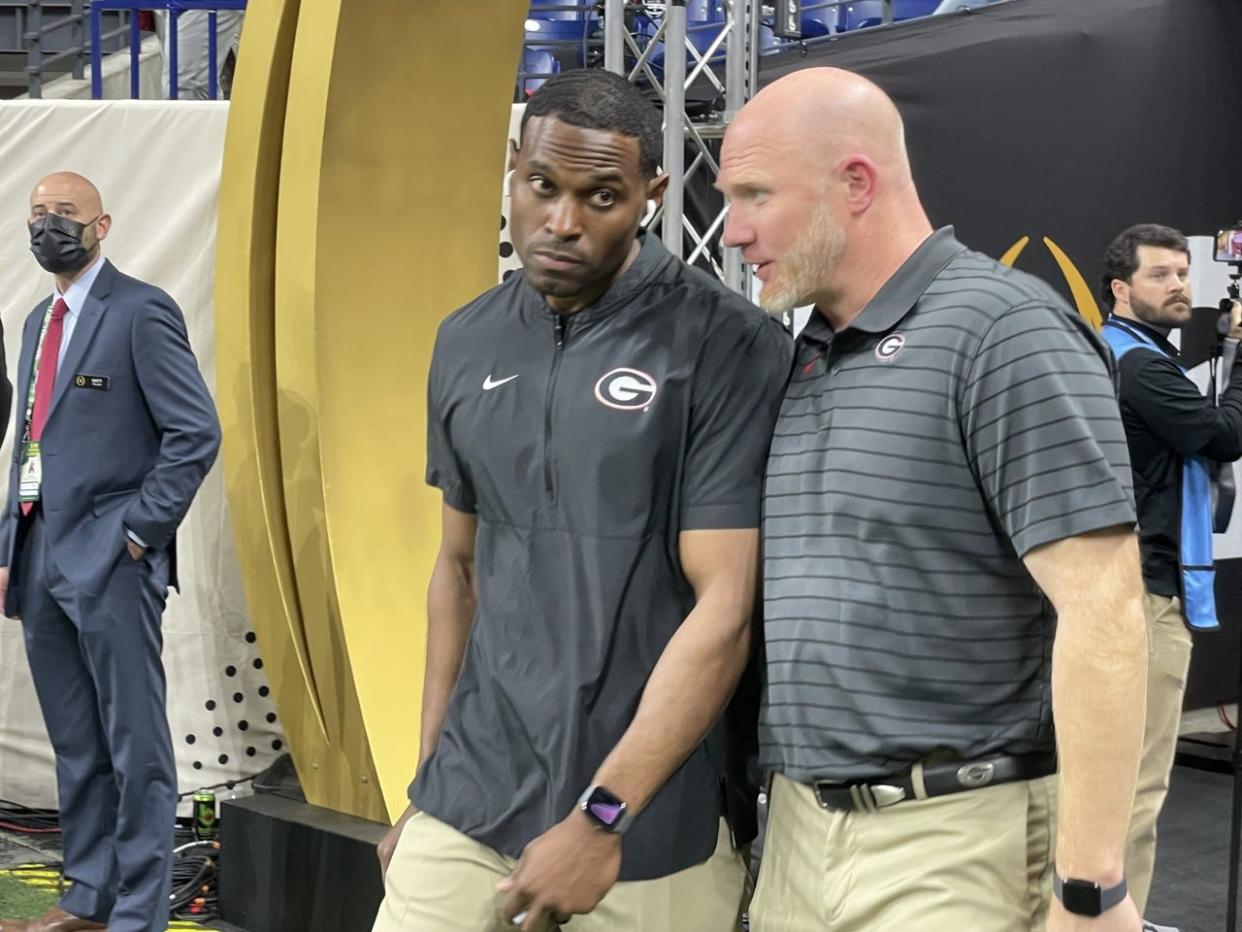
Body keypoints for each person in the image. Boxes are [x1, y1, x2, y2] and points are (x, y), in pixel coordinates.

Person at [718, 67, 1148, 931]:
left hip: (951, 845)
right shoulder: (809, 355)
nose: (733, 232)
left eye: (755, 195)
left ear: (856, 183)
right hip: (800, 836)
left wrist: (1090, 886)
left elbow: (1105, 612)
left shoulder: (1004, 331)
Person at [370, 69, 792, 932]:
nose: (562, 222)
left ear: (651, 193)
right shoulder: (465, 338)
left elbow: (724, 612)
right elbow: (458, 570)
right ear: (512, 170)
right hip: (468, 802)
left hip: (645, 830)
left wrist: (603, 816)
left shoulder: (724, 346)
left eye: (601, 195)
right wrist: (428, 781)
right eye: (542, 187)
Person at [0, 173, 221, 932]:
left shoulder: (140, 312)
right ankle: (86, 899)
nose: (47, 226)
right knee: (77, 744)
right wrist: (9, 543)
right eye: (37, 214)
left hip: (114, 562)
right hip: (41, 560)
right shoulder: (36, 321)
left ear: (102, 224)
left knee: (136, 748)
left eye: (63, 213)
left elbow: (195, 433)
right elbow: (29, 444)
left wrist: (136, 532)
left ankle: (136, 913)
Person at [1099, 224, 1242, 932]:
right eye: (1161, 275)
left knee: (1109, 781)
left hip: (1120, 592)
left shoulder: (1122, 354)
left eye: (1183, 273)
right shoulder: (1141, 367)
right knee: (1137, 783)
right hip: (1144, 599)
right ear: (1122, 289)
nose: (1180, 285)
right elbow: (1223, 436)